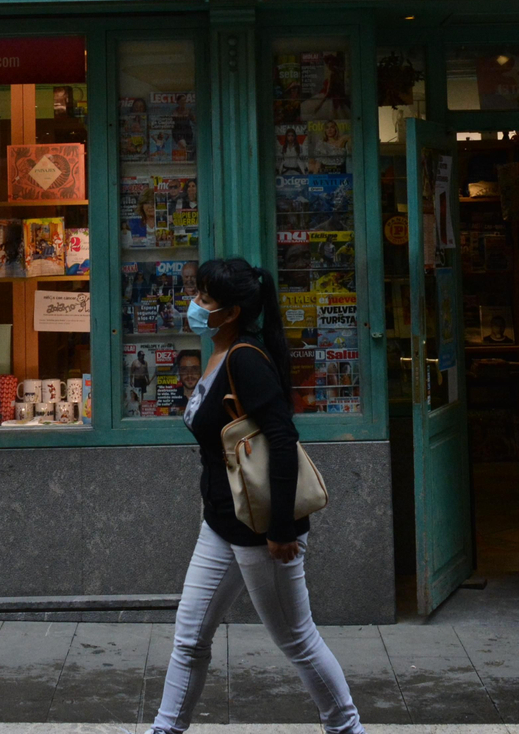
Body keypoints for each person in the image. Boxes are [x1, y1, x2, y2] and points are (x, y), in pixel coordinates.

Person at [149, 257, 362, 734]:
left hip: (261, 528)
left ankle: (347, 729)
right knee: (190, 638)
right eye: (198, 294)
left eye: (205, 299)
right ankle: (166, 729)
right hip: (222, 522)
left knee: (297, 640)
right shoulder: (219, 351)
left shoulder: (245, 356)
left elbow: (282, 440)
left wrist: (282, 529)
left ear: (232, 312)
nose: (195, 305)